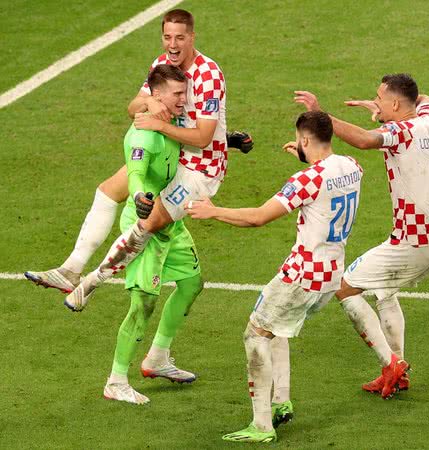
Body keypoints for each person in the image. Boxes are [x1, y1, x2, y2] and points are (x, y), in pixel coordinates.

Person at [24, 8, 252, 294]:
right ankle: (70, 270)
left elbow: (204, 138)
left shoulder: (209, 75)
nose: (173, 45)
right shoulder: (161, 66)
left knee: (148, 223)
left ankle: (90, 285)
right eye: (167, 37)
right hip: (169, 154)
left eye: (180, 38)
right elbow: (133, 107)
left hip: (200, 169)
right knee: (107, 191)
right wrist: (150, 105)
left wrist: (159, 127)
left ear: (192, 37)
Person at [186, 111, 363, 443]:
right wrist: (303, 156)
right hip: (331, 274)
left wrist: (213, 211)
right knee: (276, 327)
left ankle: (262, 425)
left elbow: (257, 218)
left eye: (299, 141)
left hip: (302, 275)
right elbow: (324, 175)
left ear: (305, 140)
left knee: (255, 334)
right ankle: (281, 401)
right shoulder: (353, 166)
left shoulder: (305, 181)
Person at [294, 73, 429, 398]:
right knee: (384, 291)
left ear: (396, 104)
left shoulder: (403, 131)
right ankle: (397, 372)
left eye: (380, 98)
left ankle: (391, 363)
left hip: (414, 243)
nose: (376, 103)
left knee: (344, 286)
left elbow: (365, 140)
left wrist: (321, 117)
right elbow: (425, 97)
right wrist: (380, 107)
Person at [101, 64, 204, 404]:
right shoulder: (144, 133)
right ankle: (116, 380)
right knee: (143, 303)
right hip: (145, 221)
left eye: (184, 92)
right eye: (177, 93)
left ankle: (157, 357)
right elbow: (136, 173)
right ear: (156, 95)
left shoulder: (171, 122)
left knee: (191, 283)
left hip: (170, 220)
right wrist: (139, 197)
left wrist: (229, 142)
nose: (183, 99)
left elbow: (191, 147)